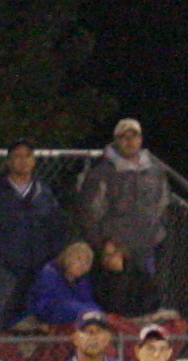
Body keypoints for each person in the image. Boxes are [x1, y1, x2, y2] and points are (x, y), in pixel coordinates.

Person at [0, 141, 66, 333]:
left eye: (27, 156)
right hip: (4, 270)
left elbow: (56, 228)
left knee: (36, 321)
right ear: (8, 161)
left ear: (34, 161)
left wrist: (51, 259)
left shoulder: (44, 193)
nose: (23, 161)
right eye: (17, 156)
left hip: (38, 268)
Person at [78, 119, 170, 275]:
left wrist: (158, 235)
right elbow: (89, 213)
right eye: (124, 137)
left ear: (140, 139)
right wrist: (103, 245)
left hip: (147, 248)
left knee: (148, 288)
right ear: (116, 140)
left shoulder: (155, 170)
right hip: (115, 252)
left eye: (134, 136)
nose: (130, 141)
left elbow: (163, 205)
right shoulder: (101, 172)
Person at [26, 242, 97, 326]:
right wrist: (85, 312)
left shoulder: (82, 280)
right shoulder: (49, 275)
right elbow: (45, 310)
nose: (82, 265)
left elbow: (88, 301)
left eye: (87, 262)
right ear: (67, 258)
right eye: (78, 259)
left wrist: (96, 313)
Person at [91, 240, 160, 318]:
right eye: (107, 255)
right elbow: (109, 303)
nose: (113, 257)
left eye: (115, 252)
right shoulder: (100, 278)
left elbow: (150, 298)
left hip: (142, 315)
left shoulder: (138, 273)